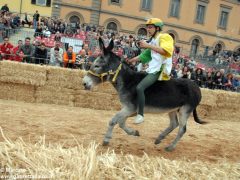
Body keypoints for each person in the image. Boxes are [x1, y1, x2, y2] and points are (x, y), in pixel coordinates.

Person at [128, 18, 174, 124]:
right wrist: (132, 60)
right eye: (147, 27)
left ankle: (140, 114)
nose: (148, 29)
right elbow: (146, 55)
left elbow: (165, 51)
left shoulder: (165, 37)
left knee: (139, 87)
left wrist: (148, 45)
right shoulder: (153, 41)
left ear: (157, 28)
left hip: (159, 70)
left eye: (150, 27)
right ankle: (135, 108)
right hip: (152, 68)